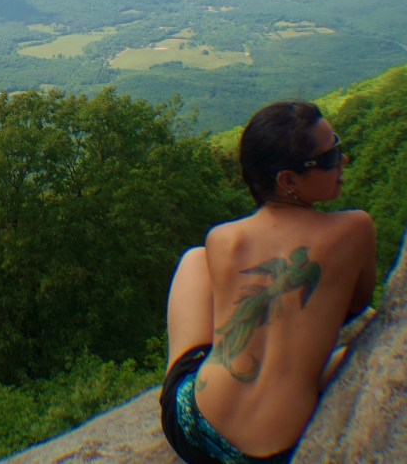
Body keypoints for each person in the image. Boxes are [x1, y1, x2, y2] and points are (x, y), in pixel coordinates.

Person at [159, 100, 376, 464]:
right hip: (272, 454)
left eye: (336, 146)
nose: (343, 161)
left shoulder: (224, 238)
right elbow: (355, 307)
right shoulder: (356, 229)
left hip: (192, 426)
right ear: (287, 180)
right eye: (328, 157)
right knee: (363, 341)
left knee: (194, 259)